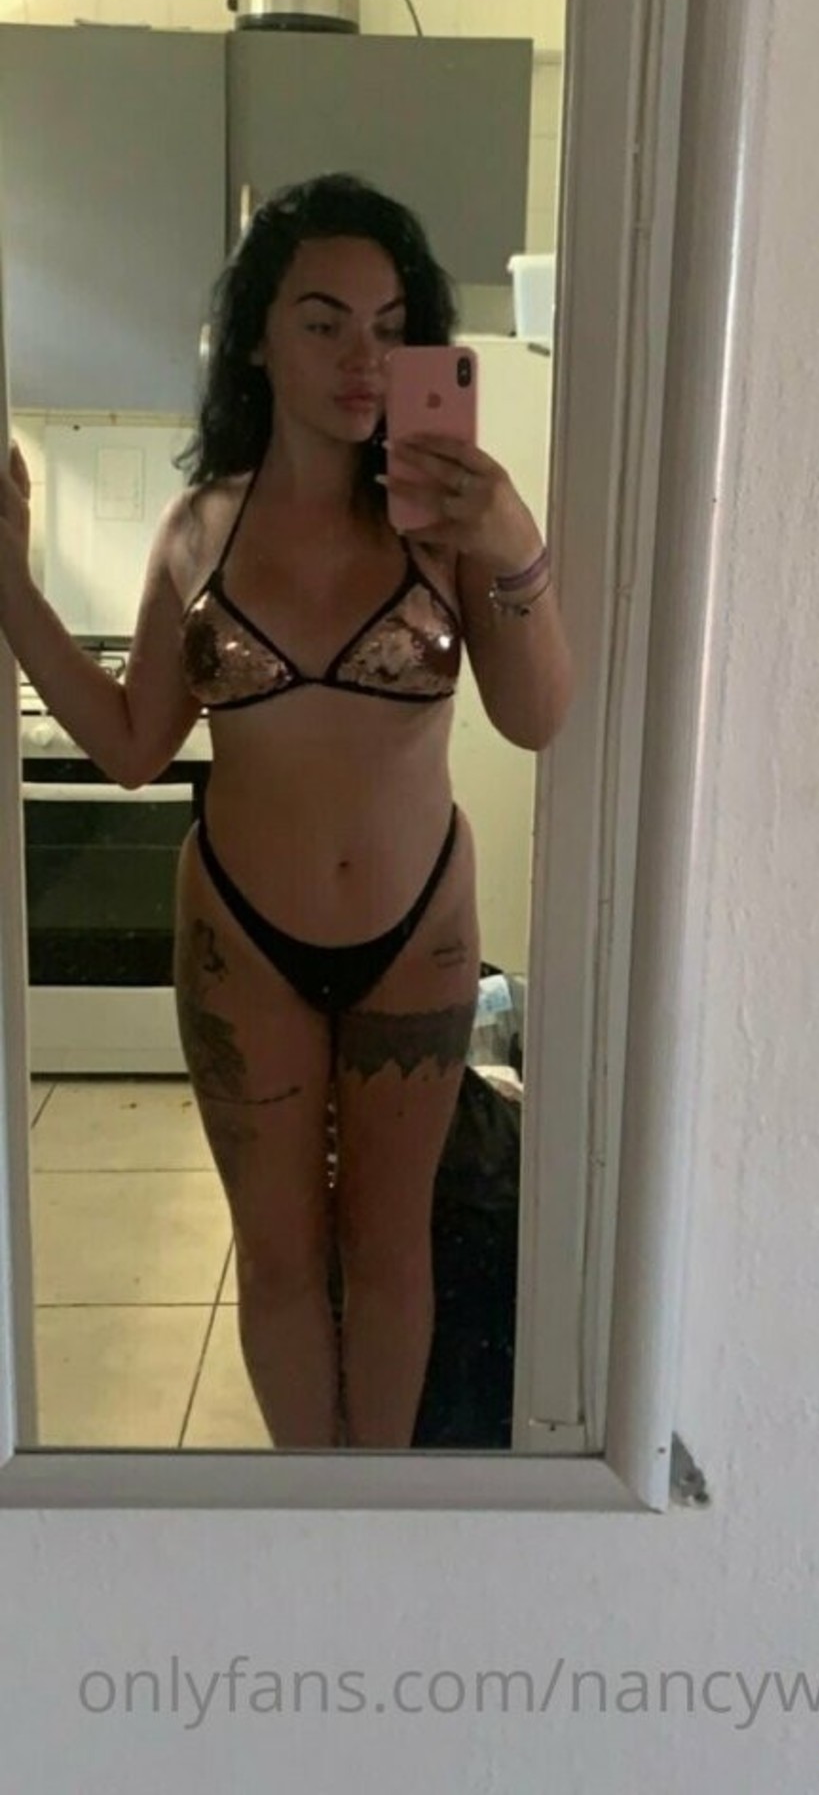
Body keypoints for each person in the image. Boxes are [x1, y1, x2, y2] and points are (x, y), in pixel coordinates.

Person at [0, 172, 574, 1450]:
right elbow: (135, 747)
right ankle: (308, 1501)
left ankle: (379, 1510)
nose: (361, 358)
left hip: (417, 933)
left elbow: (538, 716)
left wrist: (514, 540)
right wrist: (14, 591)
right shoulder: (197, 529)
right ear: (258, 337)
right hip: (240, 940)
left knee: (391, 1251)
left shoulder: (447, 527)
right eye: (323, 322)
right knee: (275, 1259)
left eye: (389, 327)